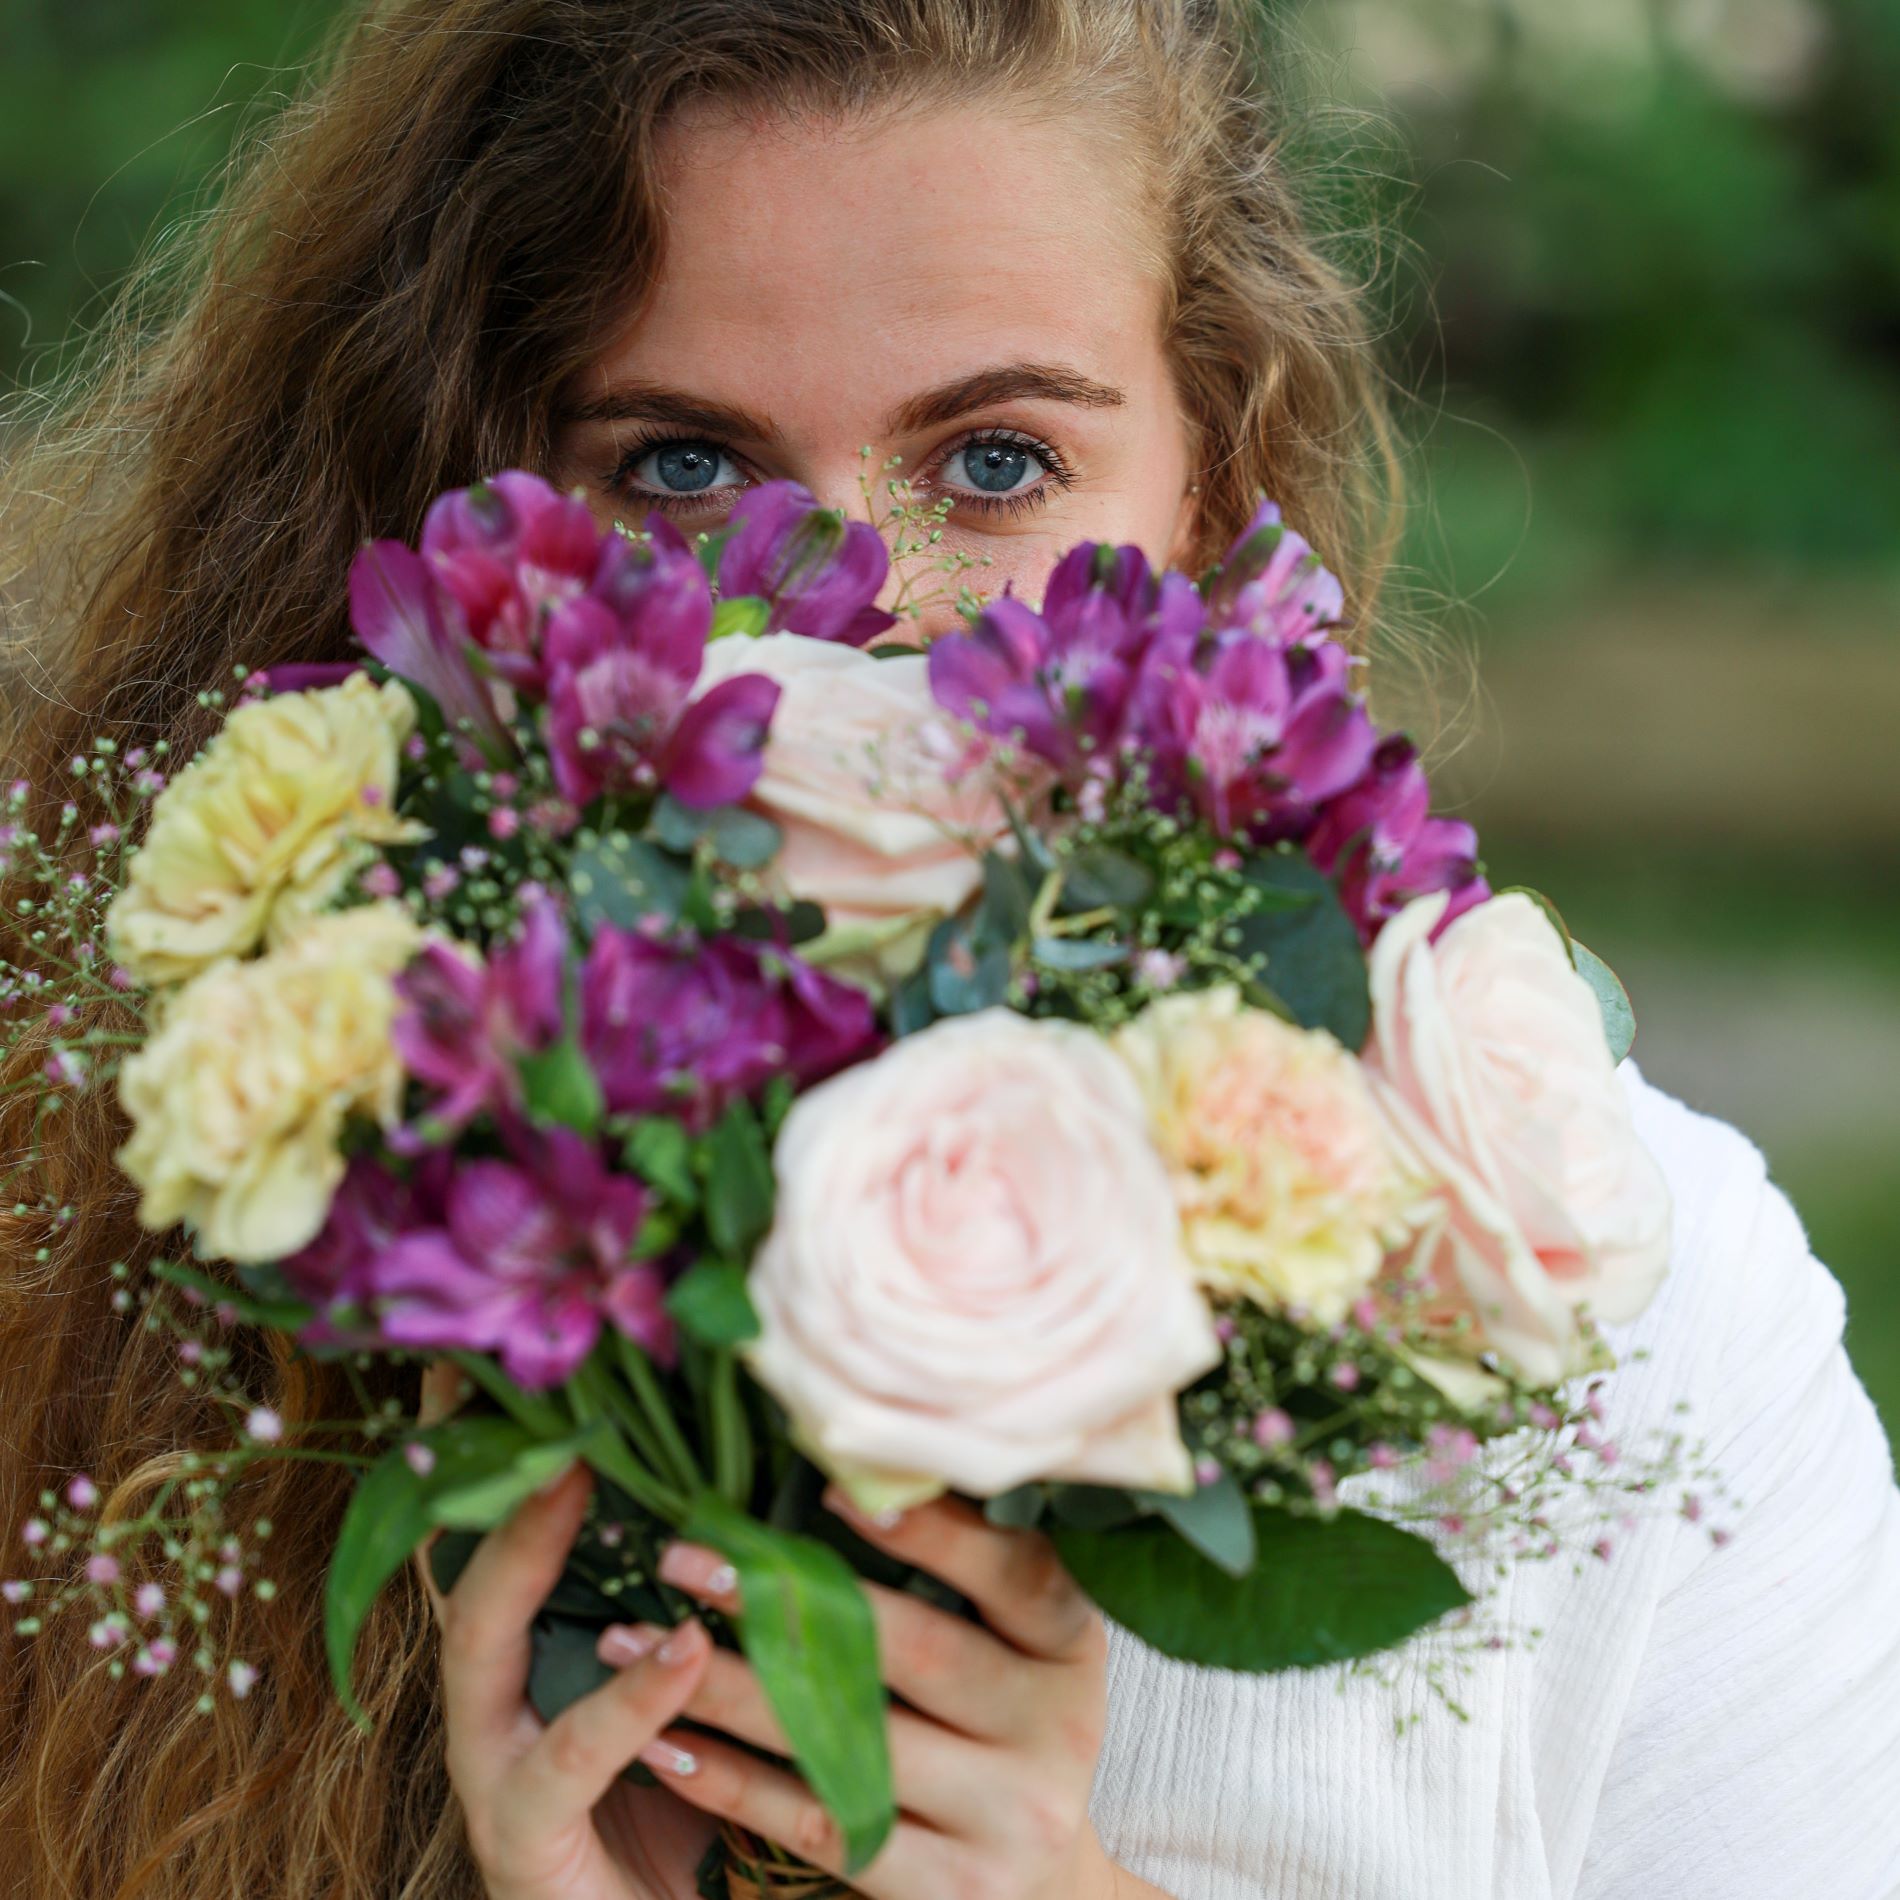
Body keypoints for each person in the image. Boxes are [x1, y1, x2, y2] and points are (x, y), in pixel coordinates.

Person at [1, 4, 1896, 1898]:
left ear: (1216, 498)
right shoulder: (250, 1281)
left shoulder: (1625, 1305)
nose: (853, 617)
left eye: (992, 465)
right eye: (677, 468)